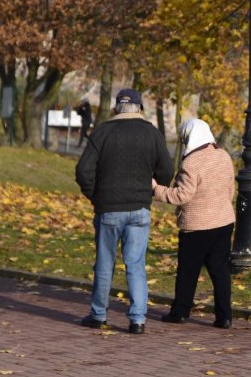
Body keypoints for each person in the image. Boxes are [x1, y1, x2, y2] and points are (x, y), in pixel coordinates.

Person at [75, 88, 173, 334]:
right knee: (136, 264)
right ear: (139, 108)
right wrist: (150, 187)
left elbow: (83, 171)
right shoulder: (152, 133)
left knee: (105, 263)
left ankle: (98, 315)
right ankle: (138, 319)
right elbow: (166, 171)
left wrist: (95, 195)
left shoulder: (103, 132)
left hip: (109, 209)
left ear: (117, 107)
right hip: (140, 208)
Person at [153, 118, 236, 329]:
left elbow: (182, 195)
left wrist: (156, 189)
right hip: (224, 221)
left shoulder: (191, 162)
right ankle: (224, 316)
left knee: (188, 272)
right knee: (220, 271)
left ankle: (180, 312)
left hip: (196, 227)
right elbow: (230, 189)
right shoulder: (223, 156)